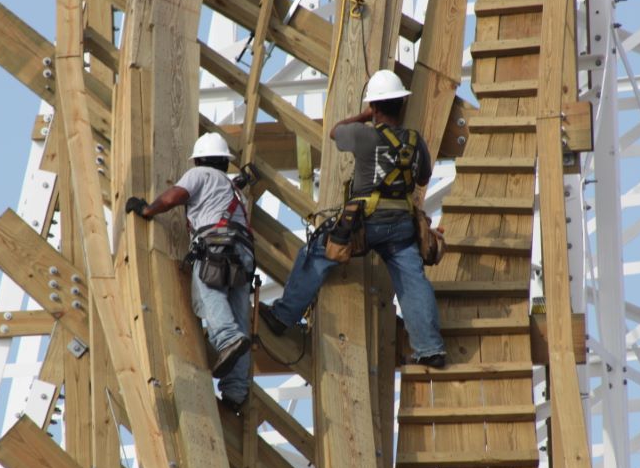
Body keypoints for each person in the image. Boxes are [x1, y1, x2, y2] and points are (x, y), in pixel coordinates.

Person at [259, 70, 447, 368]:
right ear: (401, 104)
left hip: (364, 222)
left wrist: (364, 115)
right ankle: (430, 348)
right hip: (401, 225)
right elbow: (422, 176)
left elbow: (335, 131)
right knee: (413, 282)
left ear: (374, 107)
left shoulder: (364, 134)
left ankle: (283, 316)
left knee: (316, 253)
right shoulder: (414, 140)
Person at [125, 132, 254, 411]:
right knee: (240, 315)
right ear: (224, 161)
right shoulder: (235, 191)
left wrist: (147, 210)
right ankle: (236, 391)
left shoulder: (200, 175)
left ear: (199, 160)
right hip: (243, 254)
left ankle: (227, 339)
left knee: (209, 291)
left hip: (216, 245)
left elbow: (175, 196)